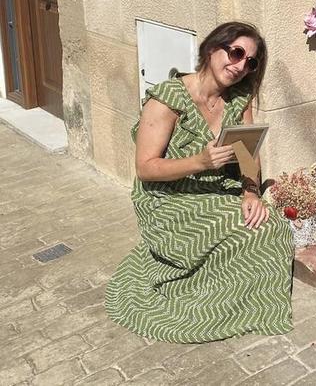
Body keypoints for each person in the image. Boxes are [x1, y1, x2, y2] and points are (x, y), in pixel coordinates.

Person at [105, 22, 294, 343]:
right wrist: (200, 162)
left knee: (270, 226)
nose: (239, 66)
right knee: (233, 232)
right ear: (211, 49)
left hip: (218, 188)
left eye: (250, 62)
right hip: (168, 198)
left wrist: (250, 191)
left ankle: (246, 306)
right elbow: (146, 168)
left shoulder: (238, 98)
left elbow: (249, 153)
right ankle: (197, 307)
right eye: (235, 53)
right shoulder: (168, 99)